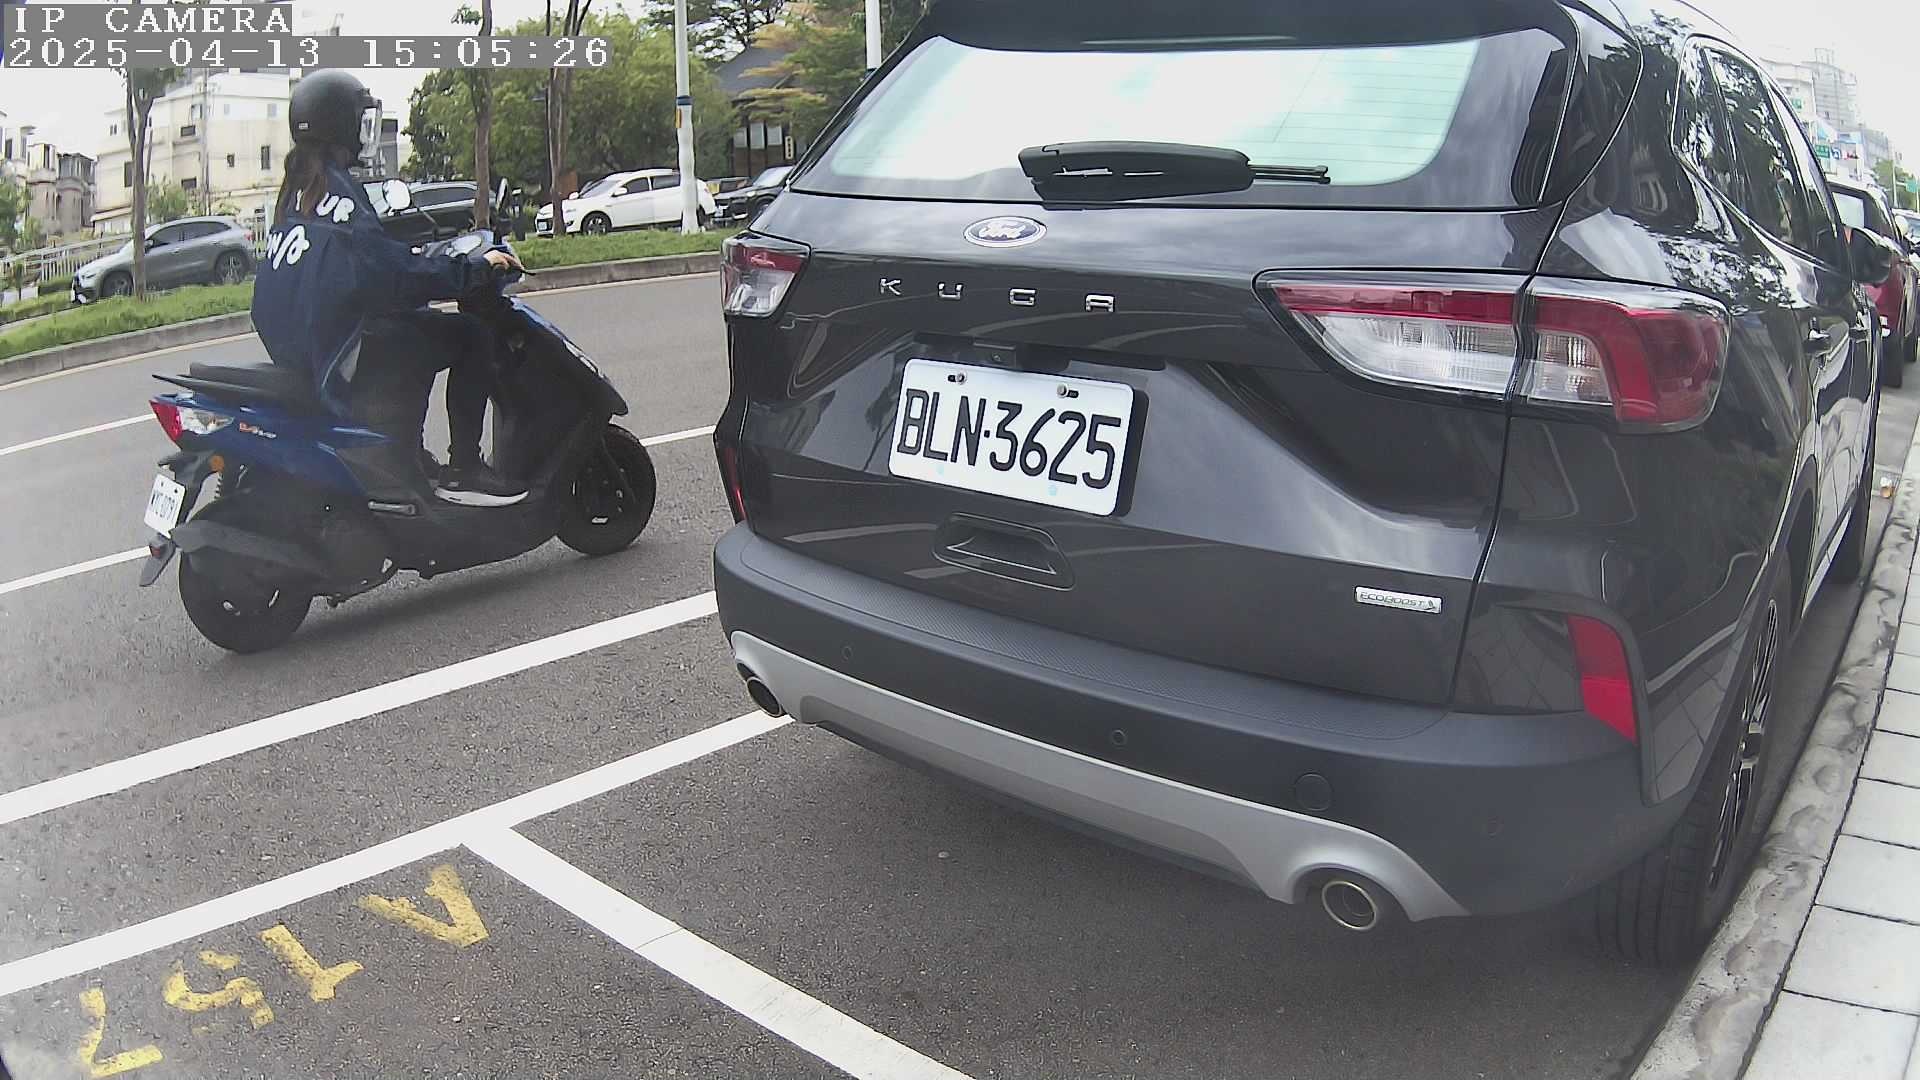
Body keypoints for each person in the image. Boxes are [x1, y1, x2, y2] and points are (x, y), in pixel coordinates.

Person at [251, 69, 527, 506]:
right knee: (469, 335)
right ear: (342, 125)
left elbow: (360, 266)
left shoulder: (295, 195)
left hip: (307, 347)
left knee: (412, 327)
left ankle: (406, 453)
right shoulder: (340, 195)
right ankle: (466, 467)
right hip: (338, 350)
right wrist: (473, 270)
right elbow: (393, 275)